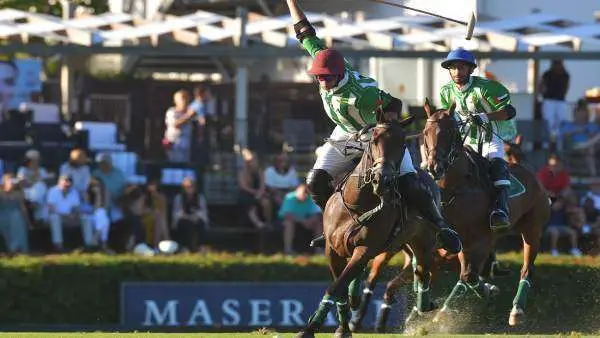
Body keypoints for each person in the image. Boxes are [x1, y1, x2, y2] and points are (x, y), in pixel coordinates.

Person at [284, 0, 461, 254]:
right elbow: (304, 31)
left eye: (325, 77)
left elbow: (395, 102)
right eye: (318, 77)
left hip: (375, 134)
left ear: (338, 74)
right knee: (315, 181)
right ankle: (330, 226)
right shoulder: (326, 61)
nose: (321, 81)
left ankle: (442, 228)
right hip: (345, 132)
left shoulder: (363, 95)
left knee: (409, 181)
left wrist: (384, 127)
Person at [437, 47, 517, 232]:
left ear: (471, 69)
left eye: (462, 68)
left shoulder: (486, 87)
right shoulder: (445, 91)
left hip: (489, 138)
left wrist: (486, 117)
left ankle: (500, 211)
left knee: (497, 166)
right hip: (463, 141)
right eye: (453, 68)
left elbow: (510, 111)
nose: (457, 72)